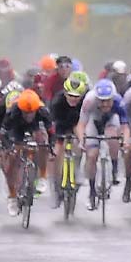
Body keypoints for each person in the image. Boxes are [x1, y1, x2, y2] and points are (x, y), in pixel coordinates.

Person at [75, 79, 129, 210]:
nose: (105, 104)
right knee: (92, 155)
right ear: (96, 98)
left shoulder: (118, 102)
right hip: (94, 120)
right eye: (101, 100)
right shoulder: (89, 101)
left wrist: (125, 141)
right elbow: (81, 125)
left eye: (108, 101)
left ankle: (114, 168)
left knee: (113, 137)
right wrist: (82, 140)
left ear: (113, 98)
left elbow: (125, 126)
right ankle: (92, 191)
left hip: (111, 120)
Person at [0, 89, 51, 216]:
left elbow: (51, 131)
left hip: (35, 128)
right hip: (17, 129)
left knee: (42, 142)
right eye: (25, 113)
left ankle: (43, 176)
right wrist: (9, 148)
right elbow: (3, 134)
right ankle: (12, 196)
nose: (28, 115)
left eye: (31, 113)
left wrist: (51, 146)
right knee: (12, 160)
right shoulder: (13, 111)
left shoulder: (42, 111)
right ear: (20, 109)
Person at [49, 75, 87, 208]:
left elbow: (83, 122)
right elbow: (52, 124)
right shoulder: (57, 101)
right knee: (56, 153)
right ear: (65, 92)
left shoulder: (85, 101)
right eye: (70, 95)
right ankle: (55, 187)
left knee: (80, 146)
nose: (73, 99)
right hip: (60, 125)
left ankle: (77, 169)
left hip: (77, 124)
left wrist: (82, 139)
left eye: (77, 96)